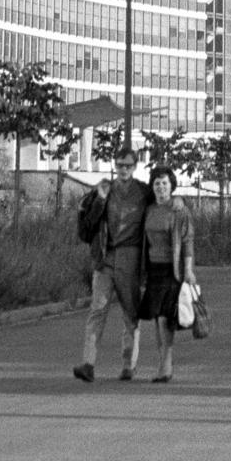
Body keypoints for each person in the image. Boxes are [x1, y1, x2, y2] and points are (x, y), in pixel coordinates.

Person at [73, 148, 154, 383]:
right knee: (97, 310)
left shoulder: (143, 192)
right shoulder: (104, 189)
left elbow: (162, 201)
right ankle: (88, 363)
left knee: (131, 313)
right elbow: (87, 223)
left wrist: (177, 201)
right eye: (120, 165)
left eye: (128, 166)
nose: (124, 170)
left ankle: (129, 365)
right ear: (114, 165)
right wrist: (99, 198)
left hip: (131, 258)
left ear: (135, 166)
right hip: (106, 257)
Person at [138, 164, 196, 384]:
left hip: (172, 270)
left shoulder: (179, 209)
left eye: (164, 183)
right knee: (156, 318)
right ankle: (163, 361)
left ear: (172, 186)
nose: (160, 187)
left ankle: (166, 364)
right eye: (156, 183)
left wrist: (188, 270)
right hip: (153, 269)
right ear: (152, 187)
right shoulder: (150, 208)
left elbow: (188, 240)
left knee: (165, 319)